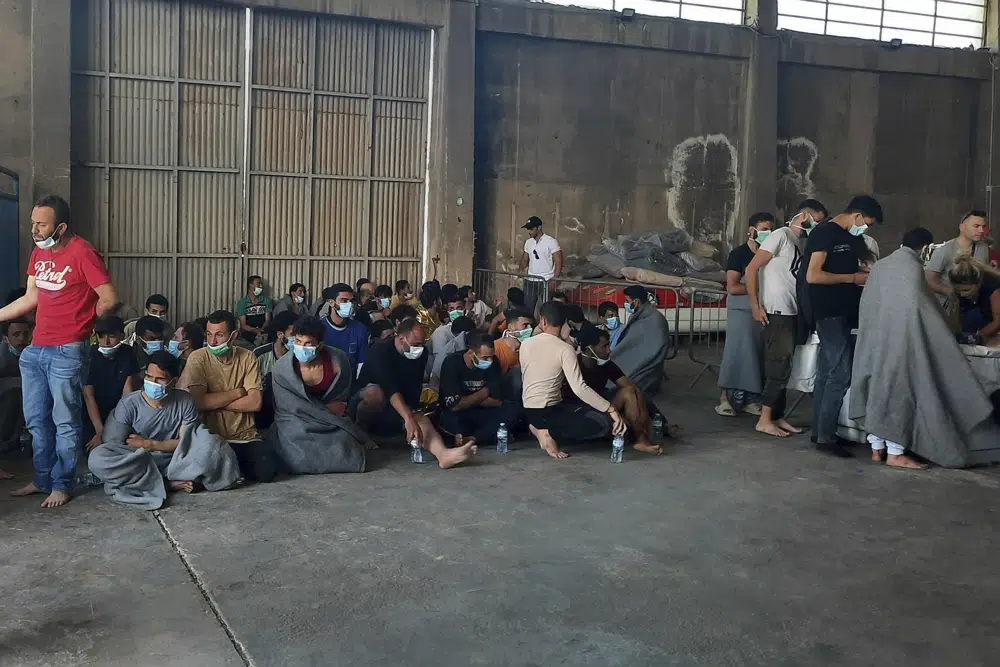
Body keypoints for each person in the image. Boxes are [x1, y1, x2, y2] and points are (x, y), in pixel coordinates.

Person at [1, 194, 118, 507]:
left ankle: (62, 483)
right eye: (33, 224)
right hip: (36, 349)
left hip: (67, 350)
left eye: (42, 224)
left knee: (65, 420)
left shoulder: (83, 253)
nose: (35, 230)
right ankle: (42, 478)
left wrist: (84, 324)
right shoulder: (38, 253)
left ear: (61, 226)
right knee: (37, 420)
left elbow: (108, 297)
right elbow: (30, 298)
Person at [850, 227, 1000, 469]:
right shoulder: (911, 268)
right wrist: (943, 332)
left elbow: (874, 303)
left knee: (878, 387)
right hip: (902, 340)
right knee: (900, 390)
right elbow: (920, 307)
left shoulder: (881, 266)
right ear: (925, 248)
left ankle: (877, 447)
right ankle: (896, 453)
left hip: (876, 338)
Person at [88, 351, 240, 509]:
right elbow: (113, 443)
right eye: (148, 377)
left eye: (160, 379)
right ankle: (167, 484)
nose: (152, 383)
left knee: (210, 443)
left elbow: (186, 442)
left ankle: (153, 482)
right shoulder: (129, 404)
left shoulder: (184, 401)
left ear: (173, 382)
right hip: (136, 461)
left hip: (174, 461)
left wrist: (150, 444)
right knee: (98, 458)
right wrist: (143, 450)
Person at [805, 195, 882, 458]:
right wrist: (853, 278)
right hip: (828, 312)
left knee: (827, 372)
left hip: (845, 313)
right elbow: (813, 275)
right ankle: (825, 437)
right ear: (857, 215)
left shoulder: (851, 238)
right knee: (839, 373)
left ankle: (821, 431)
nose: (866, 229)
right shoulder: (825, 233)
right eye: (867, 223)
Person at [351, 318, 477, 469]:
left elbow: (414, 387)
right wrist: (408, 418)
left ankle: (443, 455)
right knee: (375, 393)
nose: (420, 348)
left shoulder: (421, 355)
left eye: (422, 344)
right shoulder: (380, 351)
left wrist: (415, 416)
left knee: (421, 420)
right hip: (366, 405)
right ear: (400, 339)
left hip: (397, 406)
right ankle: (361, 432)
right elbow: (389, 388)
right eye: (416, 344)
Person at [520, 301, 626, 459]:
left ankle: (538, 428)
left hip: (529, 409)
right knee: (603, 424)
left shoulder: (525, 344)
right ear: (565, 323)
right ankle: (546, 432)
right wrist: (610, 409)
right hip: (550, 410)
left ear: (542, 321)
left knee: (574, 413)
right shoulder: (564, 349)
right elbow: (579, 388)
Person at [180, 310, 277, 482]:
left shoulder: (247, 357)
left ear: (234, 335)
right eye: (209, 334)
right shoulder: (198, 358)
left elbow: (255, 403)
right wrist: (237, 393)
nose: (212, 341)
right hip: (210, 437)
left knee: (267, 469)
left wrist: (215, 401)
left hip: (244, 437)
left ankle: (229, 470)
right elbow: (199, 402)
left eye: (219, 335)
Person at [270, 316, 369, 474]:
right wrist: (325, 409)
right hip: (297, 422)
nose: (302, 348)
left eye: (308, 344)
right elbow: (287, 408)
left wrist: (331, 410)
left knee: (346, 443)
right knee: (294, 444)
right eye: (298, 342)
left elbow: (340, 400)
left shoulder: (339, 360)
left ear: (320, 344)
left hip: (331, 423)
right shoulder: (281, 369)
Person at [745, 212, 813, 437]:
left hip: (791, 311)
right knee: (777, 365)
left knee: (783, 367)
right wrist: (756, 306)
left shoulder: (797, 243)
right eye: (814, 220)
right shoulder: (780, 235)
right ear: (803, 217)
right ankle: (764, 420)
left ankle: (776, 415)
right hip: (777, 312)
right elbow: (751, 268)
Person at [716, 213, 773, 417]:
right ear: (751, 230)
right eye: (764, 229)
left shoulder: (769, 254)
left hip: (761, 310)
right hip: (741, 310)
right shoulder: (738, 254)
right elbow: (732, 286)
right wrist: (756, 288)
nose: (767, 233)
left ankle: (752, 399)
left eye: (770, 230)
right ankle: (725, 398)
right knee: (736, 353)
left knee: (757, 356)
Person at [575, 327, 663, 454]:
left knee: (631, 391)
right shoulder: (574, 363)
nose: (609, 351)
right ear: (589, 349)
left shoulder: (604, 364)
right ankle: (644, 433)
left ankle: (642, 439)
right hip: (581, 408)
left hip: (602, 404)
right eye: (604, 346)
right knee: (630, 397)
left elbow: (629, 386)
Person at [437, 332, 520, 447]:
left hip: (483, 412)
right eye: (485, 358)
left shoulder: (494, 363)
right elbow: (454, 405)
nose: (489, 361)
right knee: (447, 419)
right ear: (471, 353)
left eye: (491, 356)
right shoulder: (452, 363)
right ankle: (486, 436)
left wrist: (466, 399)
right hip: (459, 415)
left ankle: (472, 439)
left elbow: (497, 401)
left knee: (514, 410)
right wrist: (484, 392)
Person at [83, 316, 139, 451]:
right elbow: (88, 396)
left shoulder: (128, 352)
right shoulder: (89, 355)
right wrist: (100, 430)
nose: (106, 341)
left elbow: (128, 391)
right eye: (101, 336)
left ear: (122, 335)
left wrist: (125, 422)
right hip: (92, 414)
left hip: (118, 411)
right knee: (94, 449)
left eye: (112, 336)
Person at [609, 285, 670, 394]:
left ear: (636, 301)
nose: (625, 304)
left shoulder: (655, 319)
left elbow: (652, 350)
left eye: (627, 300)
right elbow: (630, 343)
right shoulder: (637, 315)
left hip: (645, 365)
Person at [925, 210, 990, 304]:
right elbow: (929, 278)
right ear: (962, 227)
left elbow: (983, 273)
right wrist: (949, 291)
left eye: (983, 226)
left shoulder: (983, 248)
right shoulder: (944, 250)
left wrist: (976, 288)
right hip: (949, 306)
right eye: (976, 226)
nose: (981, 230)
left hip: (975, 304)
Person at [0, 319, 32, 468]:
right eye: (16, 334)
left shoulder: (33, 352)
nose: (21, 339)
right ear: (6, 338)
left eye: (25, 334)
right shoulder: (1, 357)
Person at [948, 257, 1000, 341]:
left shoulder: (993, 286)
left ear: (978, 283)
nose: (962, 294)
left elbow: (997, 322)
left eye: (966, 290)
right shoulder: (959, 291)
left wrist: (975, 337)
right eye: (958, 290)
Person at [320, 283, 368, 373]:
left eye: (351, 301)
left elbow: (361, 364)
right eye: (344, 300)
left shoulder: (360, 329)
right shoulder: (319, 327)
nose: (349, 304)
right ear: (331, 302)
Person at [519, 216, 562, 311]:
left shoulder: (551, 242)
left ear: (539, 227)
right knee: (528, 308)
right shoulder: (528, 242)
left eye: (531, 228)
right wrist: (521, 269)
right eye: (528, 229)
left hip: (546, 280)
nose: (529, 231)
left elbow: (558, 261)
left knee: (546, 309)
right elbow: (525, 258)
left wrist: (554, 279)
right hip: (530, 280)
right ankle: (530, 325)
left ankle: (545, 325)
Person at [428, 315, 476, 383]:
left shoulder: (459, 333)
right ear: (463, 334)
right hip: (432, 367)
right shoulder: (441, 336)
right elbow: (440, 362)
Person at [253, 310, 298, 379]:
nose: (297, 338)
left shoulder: (299, 356)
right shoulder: (259, 355)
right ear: (280, 334)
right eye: (293, 334)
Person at [235, 275, 273, 346]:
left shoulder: (267, 301)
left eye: (261, 284)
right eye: (258, 283)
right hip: (249, 331)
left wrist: (262, 329)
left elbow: (267, 320)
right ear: (251, 285)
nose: (261, 286)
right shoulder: (242, 302)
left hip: (263, 329)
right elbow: (243, 325)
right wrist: (255, 330)